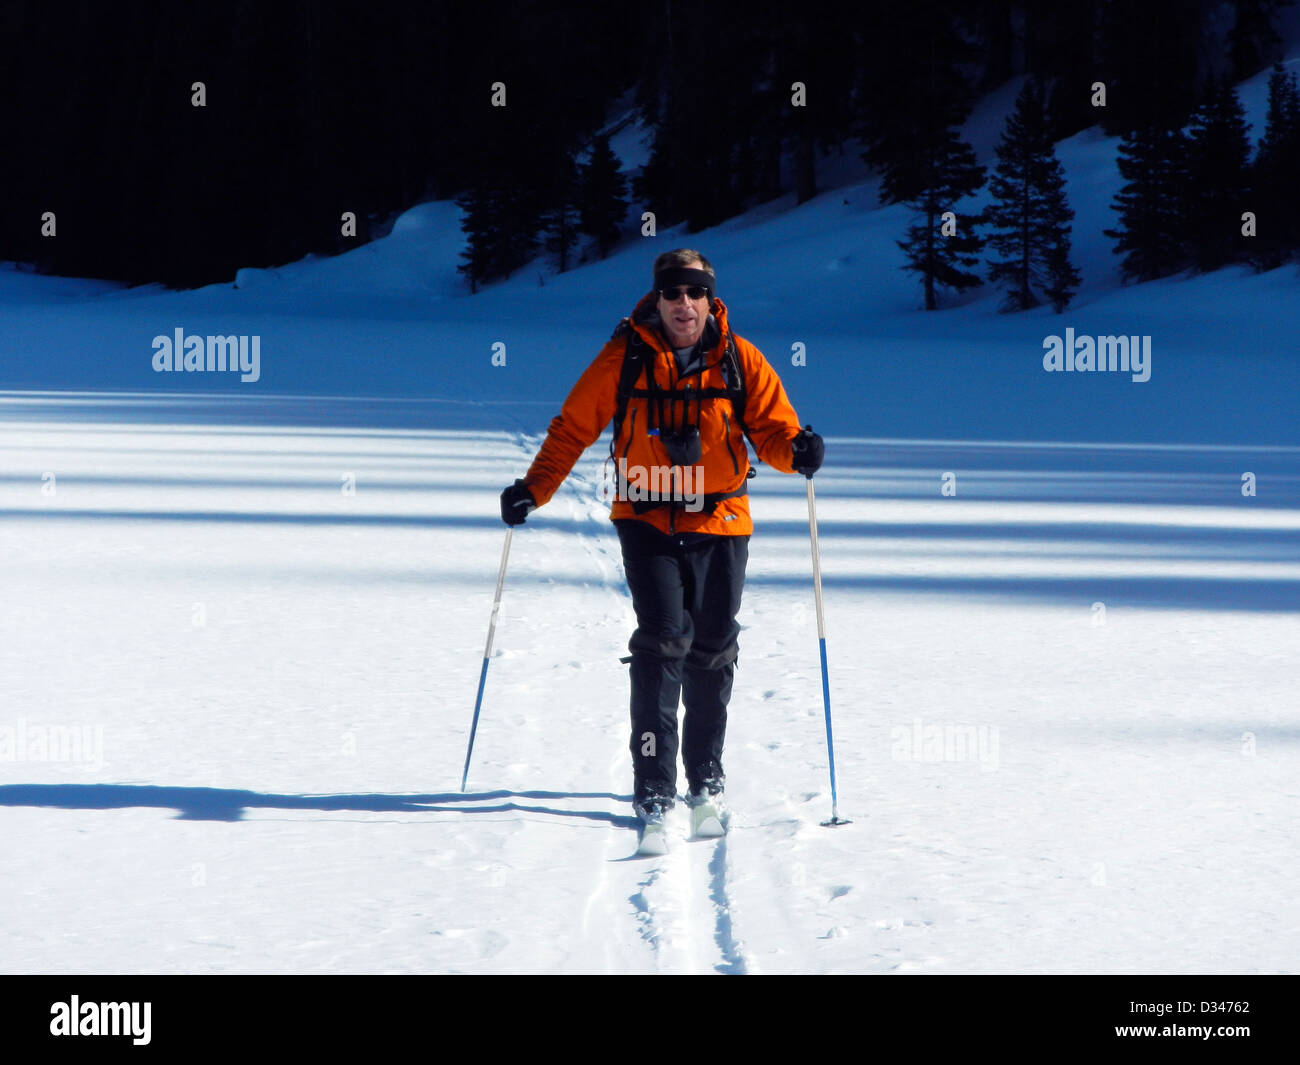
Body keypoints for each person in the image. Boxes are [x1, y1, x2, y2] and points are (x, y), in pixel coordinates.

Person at [500, 249, 823, 825]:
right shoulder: (623, 358)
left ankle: (706, 776)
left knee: (714, 645)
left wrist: (795, 450)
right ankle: (653, 783)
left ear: (709, 300)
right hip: (644, 517)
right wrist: (535, 487)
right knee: (663, 638)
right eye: (672, 293)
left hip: (720, 520)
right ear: (657, 299)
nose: (683, 304)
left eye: (694, 293)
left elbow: (773, 428)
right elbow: (574, 426)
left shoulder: (738, 358)